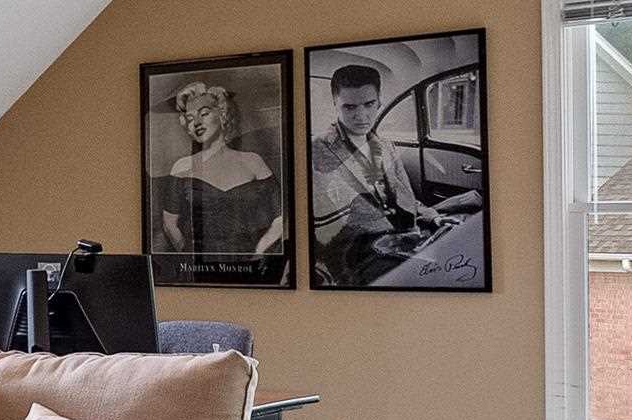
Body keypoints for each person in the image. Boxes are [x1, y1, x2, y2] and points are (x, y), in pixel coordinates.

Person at [153, 80, 287, 279]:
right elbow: (169, 224)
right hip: (197, 274)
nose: (196, 122)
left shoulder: (253, 162)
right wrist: (191, 256)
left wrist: (260, 251)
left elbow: (281, 217)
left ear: (222, 115)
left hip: (248, 271)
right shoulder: (181, 167)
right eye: (189, 118)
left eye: (204, 113)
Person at [311, 61, 429, 285]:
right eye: (350, 107)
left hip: (404, 239)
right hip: (355, 254)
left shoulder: (385, 145)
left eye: (369, 104)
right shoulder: (314, 150)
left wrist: (428, 215)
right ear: (335, 104)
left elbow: (406, 197)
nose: (361, 115)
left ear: (379, 101)